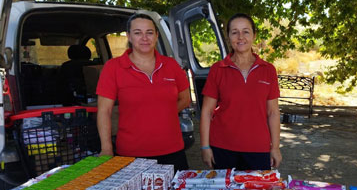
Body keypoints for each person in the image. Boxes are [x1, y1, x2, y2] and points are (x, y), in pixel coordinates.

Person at [96, 13, 191, 172]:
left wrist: (162, 115)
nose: (144, 38)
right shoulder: (113, 67)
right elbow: (104, 111)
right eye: (138, 32)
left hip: (172, 151)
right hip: (131, 155)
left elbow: (185, 98)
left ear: (156, 36)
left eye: (149, 32)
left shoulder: (171, 65)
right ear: (129, 36)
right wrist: (106, 148)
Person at [200, 13, 282, 170]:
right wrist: (205, 147)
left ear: (254, 35)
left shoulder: (268, 70)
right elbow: (207, 111)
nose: (240, 37)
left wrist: (275, 147)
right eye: (234, 32)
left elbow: (273, 112)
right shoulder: (218, 69)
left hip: (258, 148)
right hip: (222, 147)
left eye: (246, 31)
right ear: (229, 36)